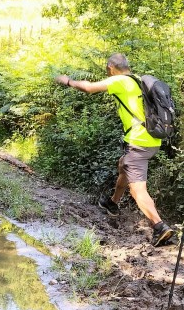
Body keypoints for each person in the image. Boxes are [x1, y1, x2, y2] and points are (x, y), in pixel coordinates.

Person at [56, 54, 176, 247]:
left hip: (138, 142)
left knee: (137, 189)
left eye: (107, 69)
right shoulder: (137, 80)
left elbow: (88, 88)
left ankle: (159, 226)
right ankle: (113, 202)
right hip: (153, 140)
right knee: (123, 165)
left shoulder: (120, 81)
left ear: (111, 67)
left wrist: (68, 81)